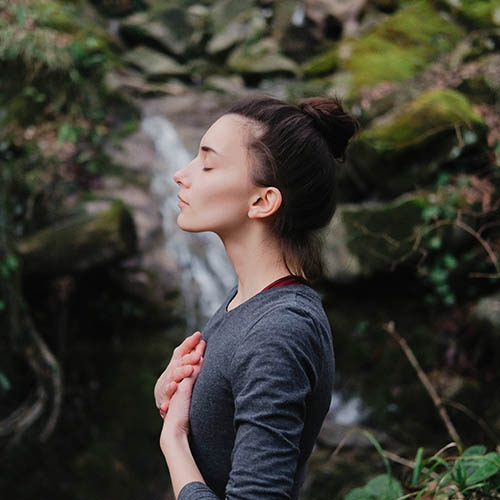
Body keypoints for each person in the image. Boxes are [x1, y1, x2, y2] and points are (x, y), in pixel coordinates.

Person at [153, 95, 358, 500]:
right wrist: (177, 401)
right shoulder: (246, 300)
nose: (181, 174)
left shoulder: (278, 331)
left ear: (263, 201)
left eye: (208, 164)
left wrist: (173, 442)